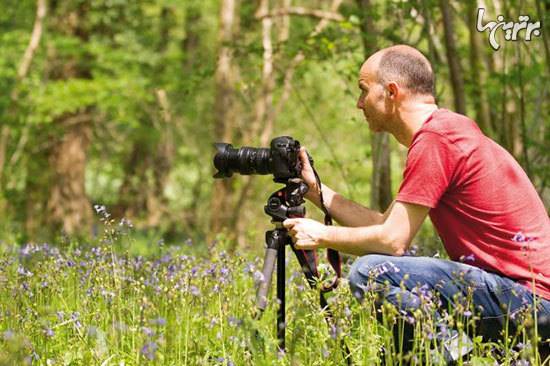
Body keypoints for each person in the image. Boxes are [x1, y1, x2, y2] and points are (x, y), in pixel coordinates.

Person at [282, 44, 550, 361]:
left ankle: (455, 357)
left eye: (363, 91)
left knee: (372, 271)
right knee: (382, 273)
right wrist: (317, 193)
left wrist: (320, 235)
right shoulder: (445, 131)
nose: (358, 104)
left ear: (391, 92)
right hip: (524, 298)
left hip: (532, 302)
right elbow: (385, 224)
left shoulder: (437, 138)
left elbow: (392, 242)